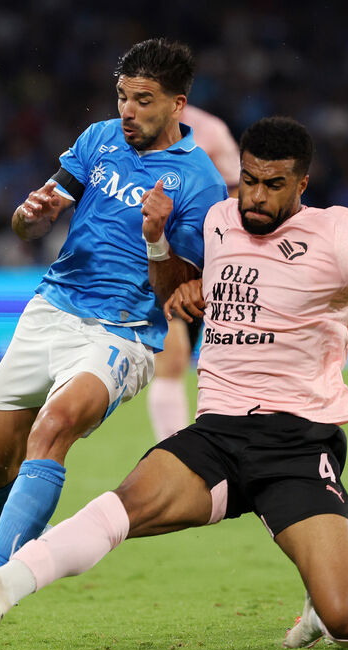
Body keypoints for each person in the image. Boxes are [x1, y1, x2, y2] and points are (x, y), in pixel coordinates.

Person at [0, 116, 348, 648]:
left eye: (274, 185)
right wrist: (159, 247)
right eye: (249, 180)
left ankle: (325, 594)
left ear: (302, 185)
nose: (257, 197)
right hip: (216, 435)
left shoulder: (340, 231)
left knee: (345, 620)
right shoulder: (220, 219)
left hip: (296, 441)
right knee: (117, 509)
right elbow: (178, 283)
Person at [0, 37, 227, 586]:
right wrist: (30, 216)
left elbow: (186, 292)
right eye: (123, 97)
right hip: (52, 308)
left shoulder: (201, 182)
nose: (128, 111)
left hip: (123, 333)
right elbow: (33, 217)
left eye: (144, 99)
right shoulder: (98, 140)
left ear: (178, 105)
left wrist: (157, 240)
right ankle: (31, 555)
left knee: (53, 427)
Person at [146, 105, 240, 441]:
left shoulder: (211, 131)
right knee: (172, 361)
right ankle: (172, 451)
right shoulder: (131, 128)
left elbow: (237, 195)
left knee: (195, 361)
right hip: (153, 258)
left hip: (205, 265)